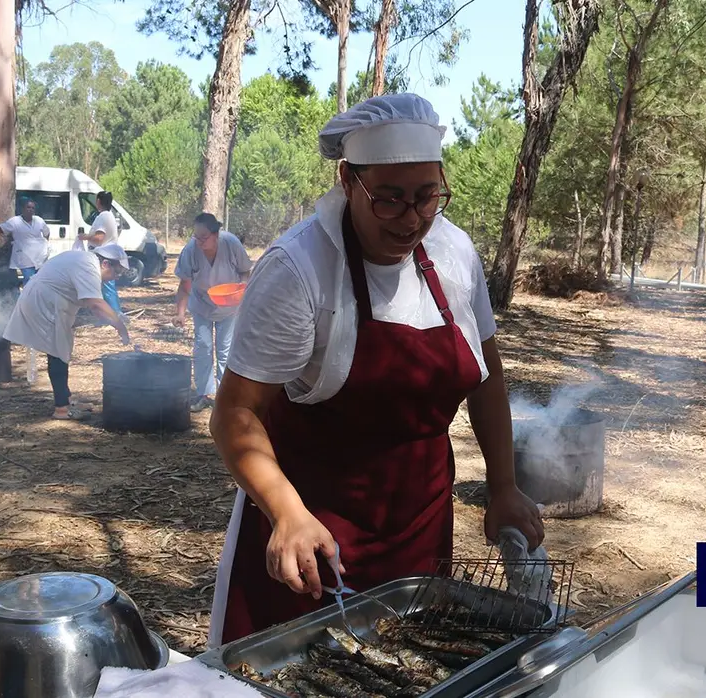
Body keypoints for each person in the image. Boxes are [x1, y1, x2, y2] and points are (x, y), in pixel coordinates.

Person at [206, 93, 544, 647]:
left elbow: (487, 375)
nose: (411, 219)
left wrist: (504, 485)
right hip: (312, 538)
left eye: (426, 197)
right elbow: (236, 413)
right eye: (388, 199)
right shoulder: (298, 270)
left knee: (412, 666)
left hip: (421, 526)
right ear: (347, 181)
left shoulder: (455, 255)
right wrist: (286, 513)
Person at [3, 243, 133, 420]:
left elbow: (94, 307)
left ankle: (66, 399)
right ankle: (61, 409)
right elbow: (96, 303)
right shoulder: (89, 266)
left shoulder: (87, 262)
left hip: (48, 301)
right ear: (105, 264)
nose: (115, 278)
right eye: (116, 272)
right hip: (44, 303)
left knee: (61, 350)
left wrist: (112, 319)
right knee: (58, 353)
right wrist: (120, 327)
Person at [173, 213, 253, 413]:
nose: (199, 242)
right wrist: (180, 313)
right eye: (196, 237)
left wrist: (242, 287)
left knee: (225, 349)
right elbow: (185, 285)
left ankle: (225, 395)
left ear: (216, 235)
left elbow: (245, 271)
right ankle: (204, 394)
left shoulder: (231, 244)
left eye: (204, 237)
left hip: (230, 304)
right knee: (203, 346)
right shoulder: (191, 250)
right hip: (202, 303)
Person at [77, 191, 123, 314]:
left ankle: (116, 314)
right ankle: (108, 313)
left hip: (104, 256)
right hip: (107, 254)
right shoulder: (109, 215)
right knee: (105, 286)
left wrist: (85, 237)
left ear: (98, 201)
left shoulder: (103, 216)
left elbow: (99, 238)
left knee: (107, 286)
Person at [0, 198, 51, 286]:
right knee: (29, 281)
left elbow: (46, 233)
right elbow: (0, 229)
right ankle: (26, 299)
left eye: (32, 208)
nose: (30, 210)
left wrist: (45, 245)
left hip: (40, 258)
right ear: (23, 209)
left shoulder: (39, 220)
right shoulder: (15, 221)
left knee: (39, 281)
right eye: (28, 207)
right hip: (25, 258)